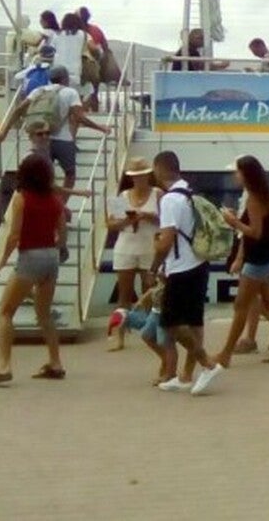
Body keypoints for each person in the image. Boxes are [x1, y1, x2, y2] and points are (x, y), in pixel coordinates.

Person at [0, 154, 67, 385]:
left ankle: (4, 366)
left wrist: (2, 260)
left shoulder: (22, 199)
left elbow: (14, 235)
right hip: (51, 256)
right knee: (44, 314)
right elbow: (62, 232)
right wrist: (57, 247)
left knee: (5, 312)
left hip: (30, 255)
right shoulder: (55, 199)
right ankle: (55, 362)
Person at [148, 151, 224, 395]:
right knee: (193, 321)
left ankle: (208, 364)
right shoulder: (190, 193)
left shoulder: (170, 200)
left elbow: (166, 240)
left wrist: (154, 267)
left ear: (159, 169)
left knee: (170, 323)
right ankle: (186, 376)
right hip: (199, 263)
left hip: (181, 268)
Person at [215, 156, 269, 366]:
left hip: (258, 258)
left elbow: (255, 232)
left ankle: (226, 353)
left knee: (241, 305)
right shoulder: (263, 194)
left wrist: (233, 222)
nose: (235, 176)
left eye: (238, 172)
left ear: (246, 174)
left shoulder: (253, 198)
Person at [0, 66, 111, 190]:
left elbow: (18, 110)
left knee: (45, 175)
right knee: (70, 174)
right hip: (63, 140)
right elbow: (79, 117)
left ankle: (46, 198)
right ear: (65, 79)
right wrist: (100, 128)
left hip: (41, 139)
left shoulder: (39, 90)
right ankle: (62, 201)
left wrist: (3, 133)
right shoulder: (70, 92)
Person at [107, 157, 162, 309]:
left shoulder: (158, 194)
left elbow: (167, 221)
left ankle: (146, 323)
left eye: (142, 175)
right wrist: (128, 221)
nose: (139, 179)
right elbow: (110, 225)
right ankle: (123, 323)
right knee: (124, 296)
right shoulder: (123, 195)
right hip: (126, 247)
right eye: (136, 176)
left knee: (149, 295)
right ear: (131, 177)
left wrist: (147, 216)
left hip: (150, 248)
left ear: (148, 175)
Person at [107, 286, 174, 384]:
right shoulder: (154, 291)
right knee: (146, 334)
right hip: (154, 313)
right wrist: (142, 302)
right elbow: (149, 294)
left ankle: (169, 369)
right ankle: (165, 360)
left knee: (165, 343)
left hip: (164, 313)